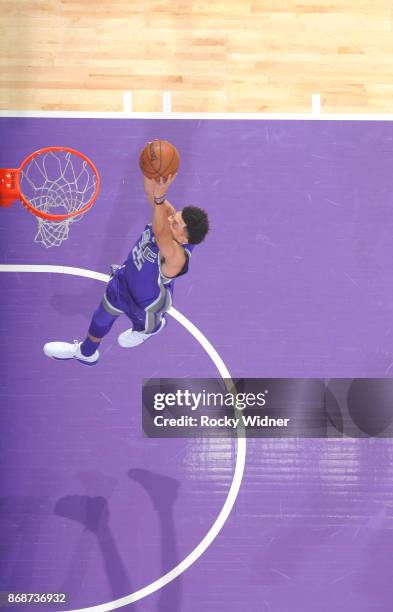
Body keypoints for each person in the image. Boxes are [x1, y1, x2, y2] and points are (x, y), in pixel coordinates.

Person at [43, 173, 209, 365]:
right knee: (100, 318)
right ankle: (86, 352)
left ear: (183, 240)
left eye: (175, 223)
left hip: (146, 304)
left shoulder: (176, 258)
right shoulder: (172, 224)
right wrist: (150, 174)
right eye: (172, 216)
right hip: (123, 281)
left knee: (144, 326)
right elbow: (153, 195)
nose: (169, 219)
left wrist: (159, 199)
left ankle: (152, 329)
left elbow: (160, 231)